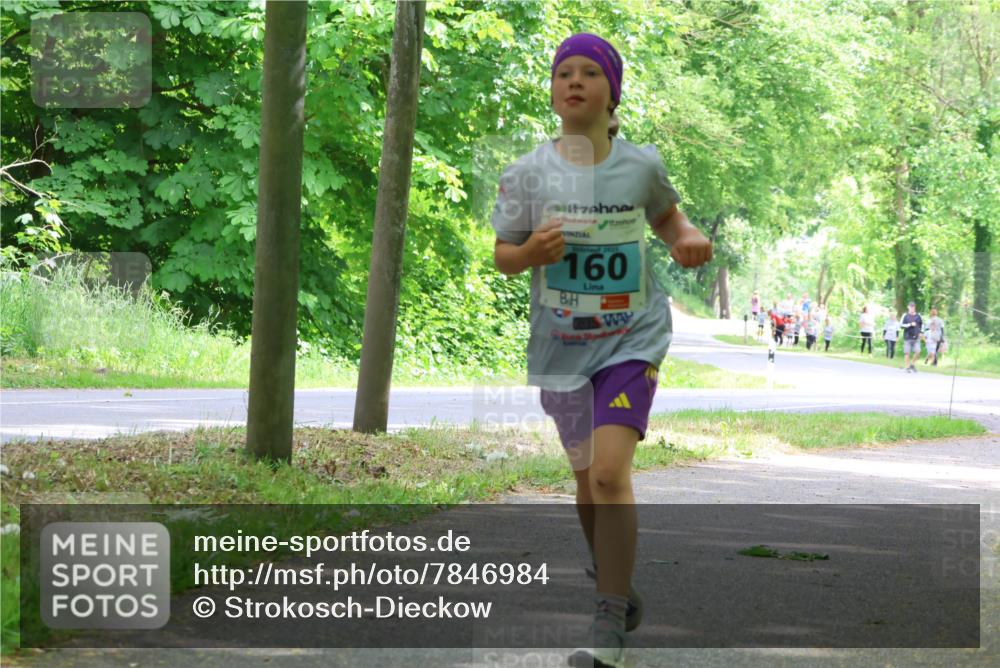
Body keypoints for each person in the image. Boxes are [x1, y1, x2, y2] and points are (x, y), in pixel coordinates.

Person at [491, 33, 713, 668]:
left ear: (611, 92)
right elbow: (504, 254)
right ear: (554, 91)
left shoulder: (640, 166)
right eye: (564, 73)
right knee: (588, 483)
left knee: (611, 473)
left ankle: (608, 621)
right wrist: (530, 253)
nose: (575, 81)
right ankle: (614, 583)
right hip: (562, 347)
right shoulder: (528, 173)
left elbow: (669, 220)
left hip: (630, 339)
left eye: (591, 72)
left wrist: (687, 236)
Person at [900, 301, 922, 372]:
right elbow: (901, 325)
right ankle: (907, 367)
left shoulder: (918, 316)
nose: (912, 308)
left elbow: (921, 325)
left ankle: (912, 364)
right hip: (907, 337)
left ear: (915, 307)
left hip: (916, 337)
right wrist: (910, 324)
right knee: (907, 352)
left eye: (913, 306)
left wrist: (921, 332)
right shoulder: (905, 316)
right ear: (908, 307)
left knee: (918, 351)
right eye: (911, 306)